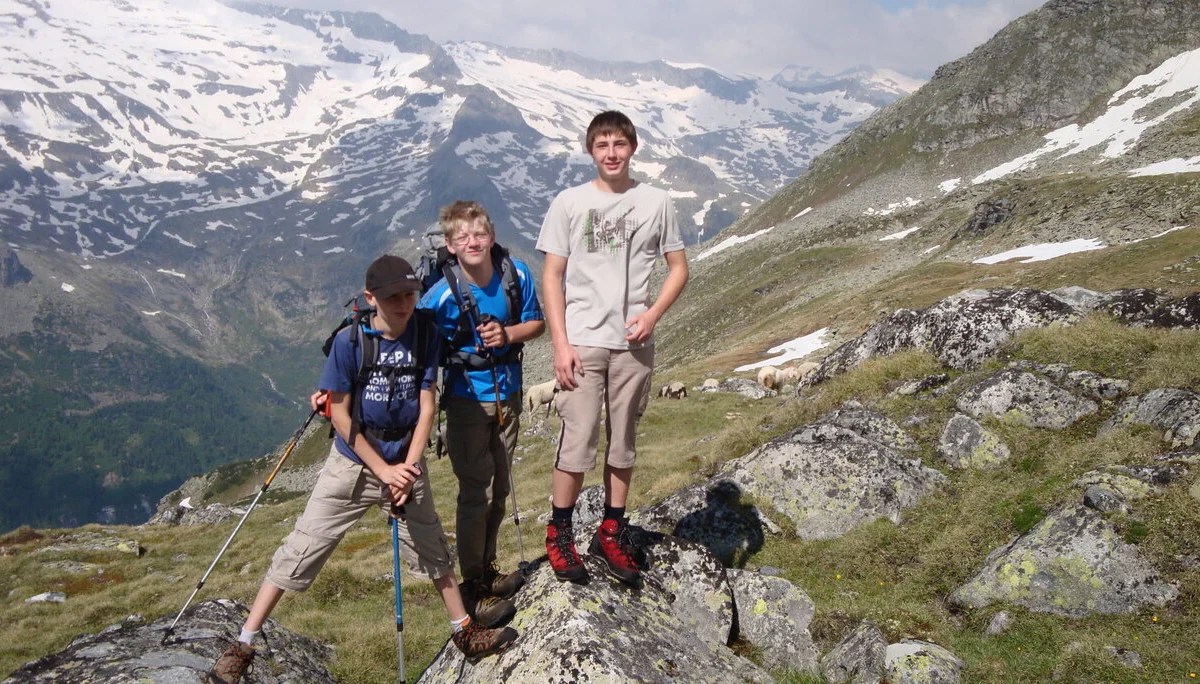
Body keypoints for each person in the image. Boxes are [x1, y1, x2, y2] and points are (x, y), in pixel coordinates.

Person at [206, 256, 516, 684]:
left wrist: (408, 468)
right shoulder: (349, 342)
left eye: (409, 295)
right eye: (392, 297)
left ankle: (463, 630)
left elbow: (427, 406)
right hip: (353, 464)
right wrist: (384, 472)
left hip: (405, 462)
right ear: (371, 298)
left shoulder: (425, 333)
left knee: (432, 547)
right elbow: (339, 414)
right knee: (303, 546)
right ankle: (243, 645)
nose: (403, 304)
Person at [535, 110, 689, 587]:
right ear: (590, 151)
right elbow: (552, 275)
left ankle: (611, 530)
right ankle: (560, 534)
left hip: (633, 343)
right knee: (577, 439)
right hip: (582, 341)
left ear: (633, 147)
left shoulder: (657, 201)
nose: (611, 153)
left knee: (623, 439)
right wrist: (560, 344)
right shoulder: (569, 202)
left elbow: (679, 267)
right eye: (602, 145)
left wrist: (652, 315)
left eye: (619, 144)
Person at [419, 200, 545, 624]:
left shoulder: (516, 274)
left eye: (479, 234)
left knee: (501, 487)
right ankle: (473, 585)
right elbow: (415, 341)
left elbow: (536, 324)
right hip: (466, 401)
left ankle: (487, 570)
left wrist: (507, 334)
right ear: (451, 245)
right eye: (462, 237)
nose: (472, 242)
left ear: (491, 237)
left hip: (508, 395)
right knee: (477, 491)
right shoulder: (440, 294)